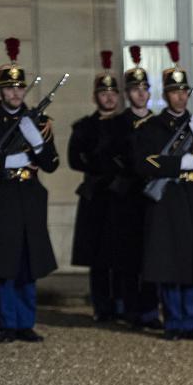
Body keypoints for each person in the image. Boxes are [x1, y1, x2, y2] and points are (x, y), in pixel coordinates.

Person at [0, 38, 59, 343]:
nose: (15, 93)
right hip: (1, 197)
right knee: (4, 263)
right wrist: (5, 160)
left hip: (29, 196)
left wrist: (37, 142)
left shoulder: (39, 121)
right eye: (8, 88)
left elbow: (52, 163)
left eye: (19, 88)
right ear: (1, 90)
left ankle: (25, 322)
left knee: (27, 263)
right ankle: (7, 323)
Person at [131, 41, 193, 341]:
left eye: (184, 91)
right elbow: (141, 163)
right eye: (174, 91)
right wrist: (177, 164)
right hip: (167, 200)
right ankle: (173, 322)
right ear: (166, 94)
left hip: (192, 199)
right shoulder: (151, 127)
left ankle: (191, 322)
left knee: (192, 262)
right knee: (169, 263)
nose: (180, 96)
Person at [107, 45, 161, 330]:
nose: (140, 93)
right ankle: (130, 309)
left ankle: (151, 310)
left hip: (152, 196)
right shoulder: (118, 124)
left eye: (144, 88)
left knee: (152, 256)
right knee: (128, 257)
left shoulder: (157, 123)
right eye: (135, 89)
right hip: (128, 195)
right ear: (127, 93)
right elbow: (111, 156)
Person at [69, 50, 121, 322]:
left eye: (113, 93)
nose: (109, 97)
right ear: (95, 97)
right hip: (96, 196)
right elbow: (74, 160)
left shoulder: (126, 125)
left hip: (121, 195)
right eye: (104, 93)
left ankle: (122, 304)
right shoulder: (84, 127)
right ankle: (102, 307)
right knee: (99, 256)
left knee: (122, 253)